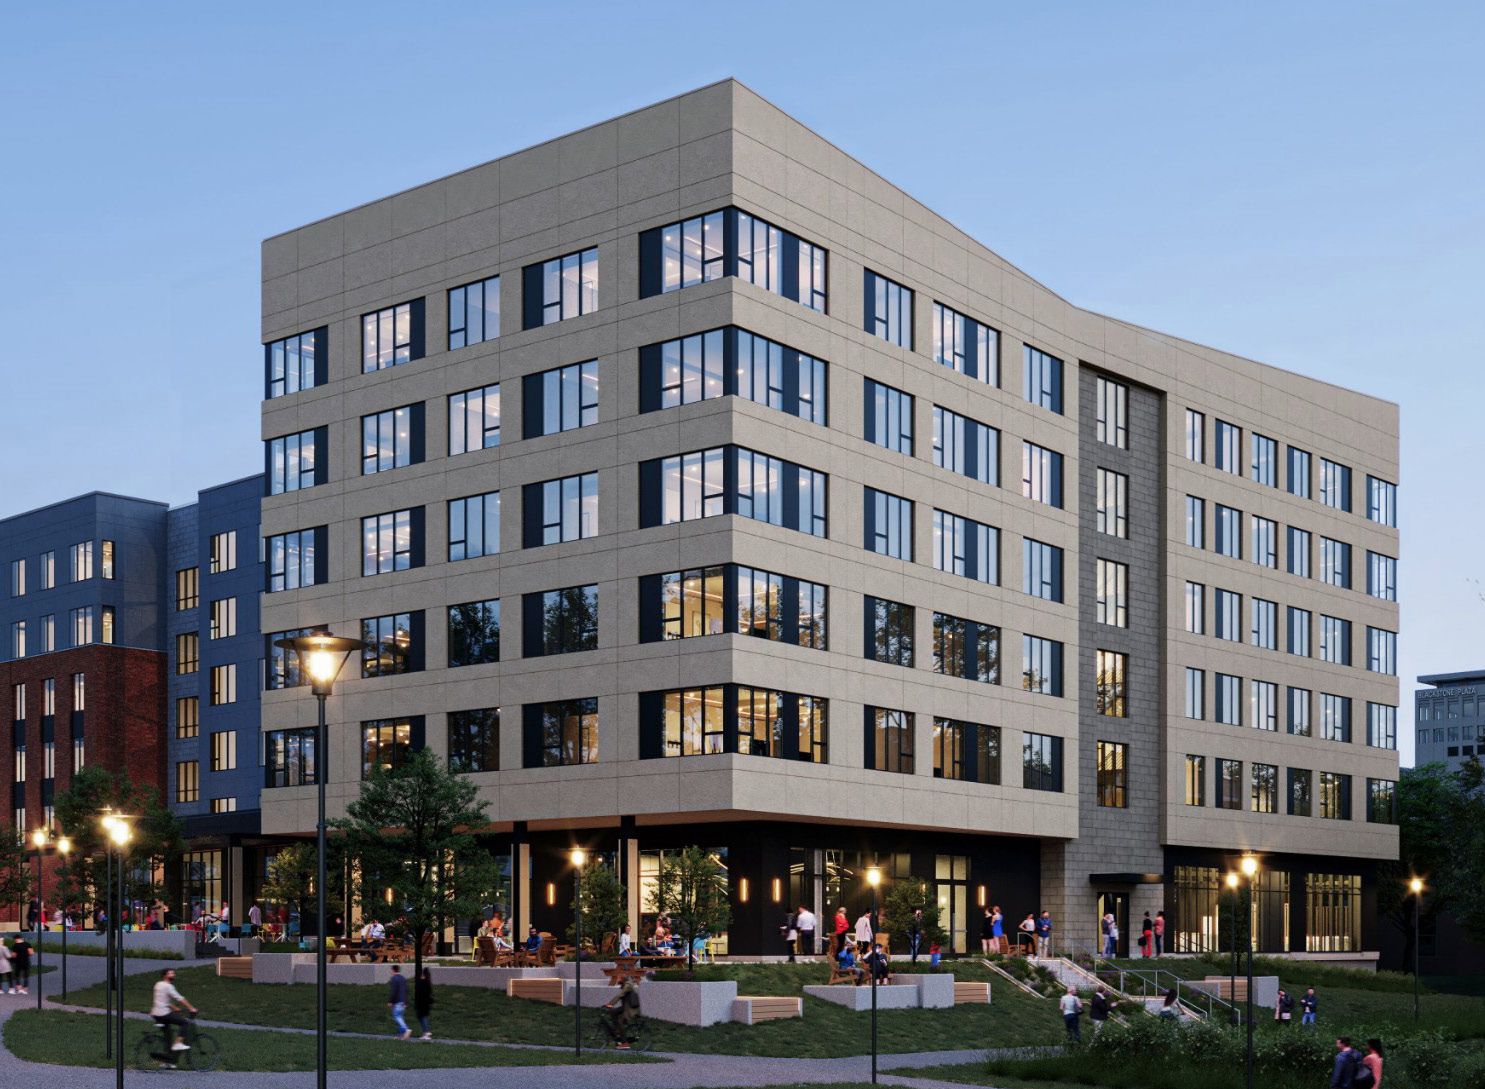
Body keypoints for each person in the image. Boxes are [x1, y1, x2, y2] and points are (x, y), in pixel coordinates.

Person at [150, 968, 199, 1060]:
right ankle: (178, 1043)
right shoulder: (168, 986)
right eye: (171, 973)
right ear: (165, 975)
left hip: (155, 1014)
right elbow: (180, 998)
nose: (173, 974)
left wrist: (175, 1008)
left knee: (168, 1034)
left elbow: (163, 1000)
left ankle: (167, 1059)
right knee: (185, 1023)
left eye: (173, 973)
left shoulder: (158, 984)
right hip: (164, 1014)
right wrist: (191, 1008)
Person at [603, 975, 641, 1048]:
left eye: (619, 978)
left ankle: (624, 1043)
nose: (618, 979)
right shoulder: (625, 984)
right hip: (626, 1007)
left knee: (620, 1021)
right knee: (613, 1012)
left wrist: (610, 1004)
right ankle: (617, 1031)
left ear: (624, 979)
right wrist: (610, 1005)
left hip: (631, 1009)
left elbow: (620, 995)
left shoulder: (628, 985)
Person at [387, 964, 411, 1040]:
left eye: (391, 970)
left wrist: (390, 1001)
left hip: (397, 1001)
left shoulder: (394, 978)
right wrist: (406, 1001)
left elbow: (393, 991)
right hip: (403, 1001)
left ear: (393, 970)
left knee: (397, 1016)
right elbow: (406, 990)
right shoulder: (403, 978)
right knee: (400, 1018)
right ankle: (399, 1035)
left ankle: (406, 1029)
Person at [414, 967, 434, 1040]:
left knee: (422, 1017)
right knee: (423, 1017)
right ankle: (426, 1032)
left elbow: (418, 992)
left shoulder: (422, 982)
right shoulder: (428, 982)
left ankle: (426, 1032)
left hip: (421, 1003)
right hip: (426, 1003)